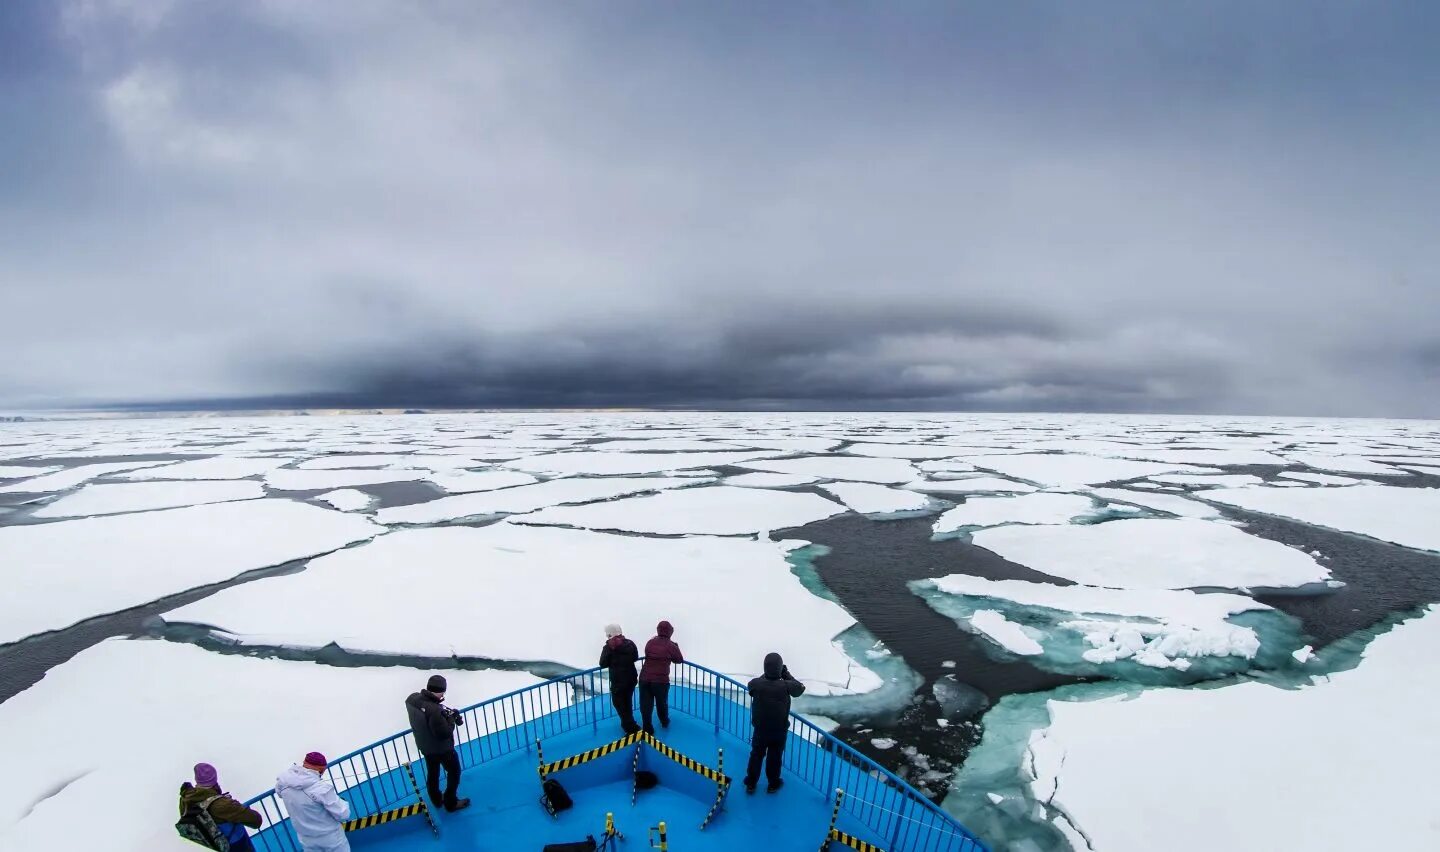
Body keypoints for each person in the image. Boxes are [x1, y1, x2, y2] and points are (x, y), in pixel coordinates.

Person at [405, 674, 471, 812]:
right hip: (442, 749)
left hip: (425, 746)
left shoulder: (412, 699)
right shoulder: (434, 711)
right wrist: (450, 721)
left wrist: (443, 716)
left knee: (433, 773)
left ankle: (436, 799)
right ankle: (450, 802)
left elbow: (426, 714)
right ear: (441, 691)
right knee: (454, 771)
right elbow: (444, 733)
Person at [743, 652, 806, 794]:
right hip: (779, 731)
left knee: (756, 755)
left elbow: (753, 686)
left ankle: (751, 783)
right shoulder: (786, 685)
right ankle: (773, 783)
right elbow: (800, 688)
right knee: (775, 757)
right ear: (779, 669)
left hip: (760, 729)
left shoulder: (756, 684)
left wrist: (767, 674)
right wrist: (786, 674)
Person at [177, 762, 262, 851]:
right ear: (214, 779)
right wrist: (236, 806)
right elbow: (256, 820)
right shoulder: (221, 804)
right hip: (237, 847)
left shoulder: (185, 800)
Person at [275, 752, 350, 852]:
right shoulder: (321, 788)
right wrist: (343, 802)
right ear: (321, 769)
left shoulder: (283, 782)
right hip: (331, 839)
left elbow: (280, 793)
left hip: (306, 839)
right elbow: (343, 814)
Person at [638, 620, 683, 735]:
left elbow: (648, 653)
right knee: (661, 703)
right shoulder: (670, 645)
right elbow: (679, 659)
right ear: (670, 632)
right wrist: (675, 647)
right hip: (660, 681)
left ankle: (647, 728)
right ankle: (664, 722)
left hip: (644, 678)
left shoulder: (650, 642)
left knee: (645, 704)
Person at [599, 623, 641, 735]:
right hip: (631, 679)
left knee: (618, 703)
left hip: (618, 681)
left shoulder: (608, 647)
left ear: (609, 634)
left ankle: (630, 728)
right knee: (627, 701)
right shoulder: (630, 643)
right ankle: (630, 723)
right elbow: (635, 657)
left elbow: (602, 663)